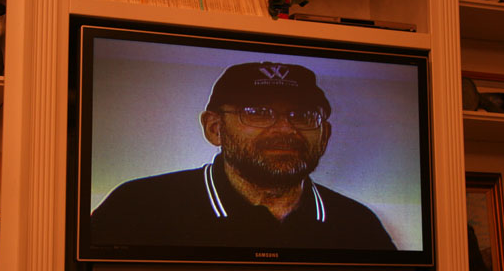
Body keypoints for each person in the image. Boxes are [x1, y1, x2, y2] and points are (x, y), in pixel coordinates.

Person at [91, 62, 395, 250]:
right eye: (257, 112)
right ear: (215, 128)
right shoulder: (137, 208)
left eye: (303, 115)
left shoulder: (358, 225)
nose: (285, 129)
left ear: (325, 135)